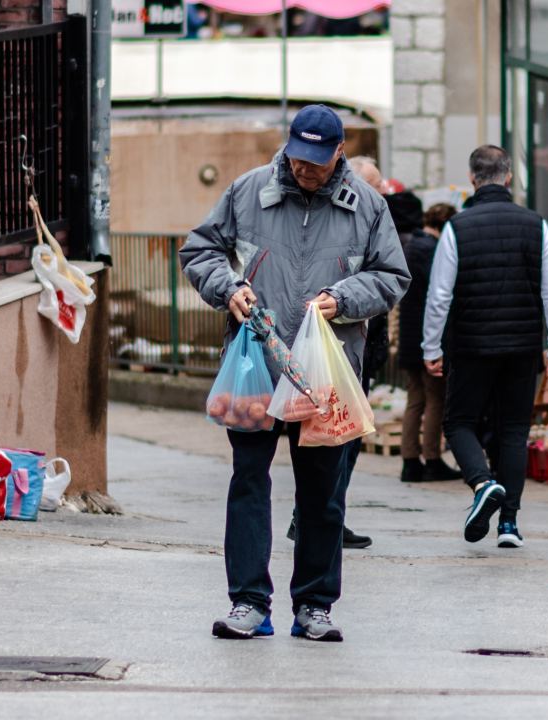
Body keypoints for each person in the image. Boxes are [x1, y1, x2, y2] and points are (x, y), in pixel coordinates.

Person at [180, 105, 409, 641]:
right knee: (248, 483)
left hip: (326, 374)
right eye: (298, 158)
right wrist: (229, 288)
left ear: (340, 152)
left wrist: (343, 298)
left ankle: (314, 606)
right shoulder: (248, 190)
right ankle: (248, 603)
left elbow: (392, 275)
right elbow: (200, 250)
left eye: (317, 161)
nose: (305, 169)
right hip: (256, 366)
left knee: (323, 495)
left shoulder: (368, 205)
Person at [422, 145, 548, 548]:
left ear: (472, 178)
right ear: (508, 177)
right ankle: (509, 524)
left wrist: (431, 347)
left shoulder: (457, 227)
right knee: (514, 432)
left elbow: (440, 295)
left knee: (458, 422)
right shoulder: (536, 224)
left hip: (472, 345)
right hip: (523, 347)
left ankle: (482, 482)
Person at [285, 155, 389, 551]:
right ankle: (316, 516)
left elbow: (387, 279)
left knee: (345, 439)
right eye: (374, 185)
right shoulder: (343, 218)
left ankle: (324, 515)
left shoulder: (374, 219)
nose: (381, 192)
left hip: (358, 352)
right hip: (331, 356)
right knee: (333, 440)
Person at [397, 202, 463, 483]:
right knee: (436, 398)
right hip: (428, 337)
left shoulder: (411, 246)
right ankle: (432, 459)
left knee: (415, 399)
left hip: (409, 336)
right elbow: (441, 294)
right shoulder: (432, 250)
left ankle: (410, 460)